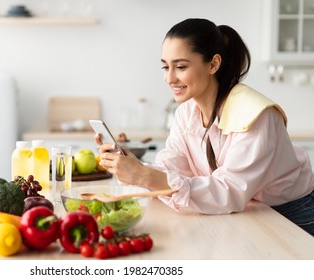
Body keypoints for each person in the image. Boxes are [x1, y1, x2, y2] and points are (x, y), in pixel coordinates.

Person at [95, 18, 314, 235]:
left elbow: (231, 191)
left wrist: (145, 176)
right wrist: (133, 167)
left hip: (291, 214)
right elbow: (173, 166)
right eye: (165, 66)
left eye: (180, 66)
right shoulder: (186, 113)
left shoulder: (256, 115)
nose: (169, 78)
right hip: (250, 209)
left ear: (213, 64)